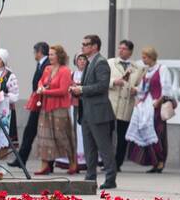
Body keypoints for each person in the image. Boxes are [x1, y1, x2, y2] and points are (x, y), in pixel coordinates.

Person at [69, 34, 116, 190]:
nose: (82, 47)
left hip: (99, 112)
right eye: (82, 44)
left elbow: (102, 86)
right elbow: (90, 85)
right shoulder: (90, 62)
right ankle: (90, 177)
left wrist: (81, 89)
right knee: (89, 147)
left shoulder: (101, 63)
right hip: (87, 112)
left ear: (95, 46)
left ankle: (110, 178)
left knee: (104, 147)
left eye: (86, 44)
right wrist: (77, 90)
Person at [126, 46, 174, 173]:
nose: (143, 59)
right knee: (146, 131)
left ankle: (161, 161)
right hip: (146, 106)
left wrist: (159, 101)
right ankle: (154, 161)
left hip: (156, 106)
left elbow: (166, 87)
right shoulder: (147, 71)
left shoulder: (162, 69)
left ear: (151, 57)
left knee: (158, 134)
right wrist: (135, 91)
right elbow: (143, 89)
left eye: (145, 57)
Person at [31, 44, 76, 175]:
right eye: (49, 54)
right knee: (44, 136)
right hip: (46, 106)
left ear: (59, 56)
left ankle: (72, 162)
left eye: (52, 54)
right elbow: (41, 81)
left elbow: (63, 90)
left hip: (59, 108)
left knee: (62, 136)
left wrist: (46, 92)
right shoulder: (47, 69)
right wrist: (40, 87)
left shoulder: (65, 71)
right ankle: (44, 165)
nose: (50, 56)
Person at [12, 42, 49, 167]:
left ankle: (47, 163)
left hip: (43, 103)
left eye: (35, 52)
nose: (34, 55)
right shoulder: (41, 64)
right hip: (37, 102)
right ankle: (21, 159)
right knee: (29, 131)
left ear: (39, 52)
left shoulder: (47, 65)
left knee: (39, 132)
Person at [108, 39, 144, 168]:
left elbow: (142, 85)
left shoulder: (138, 68)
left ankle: (118, 162)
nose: (120, 50)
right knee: (107, 134)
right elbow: (102, 80)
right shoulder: (110, 63)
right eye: (119, 48)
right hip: (112, 104)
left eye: (124, 49)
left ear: (130, 51)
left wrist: (137, 90)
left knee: (123, 136)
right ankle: (107, 161)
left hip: (126, 105)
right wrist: (113, 82)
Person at [58, 54, 87, 170]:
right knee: (72, 131)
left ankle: (83, 160)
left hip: (84, 106)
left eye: (84, 59)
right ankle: (71, 160)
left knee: (81, 132)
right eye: (80, 59)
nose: (82, 61)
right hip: (72, 106)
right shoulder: (72, 74)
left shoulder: (88, 74)